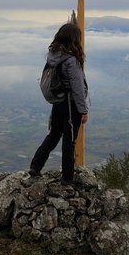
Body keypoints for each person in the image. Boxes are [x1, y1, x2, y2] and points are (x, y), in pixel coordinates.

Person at [29, 23, 89, 183]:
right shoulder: (71, 60)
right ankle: (68, 178)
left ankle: (35, 166)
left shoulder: (54, 55)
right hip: (71, 106)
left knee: (54, 135)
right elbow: (77, 88)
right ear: (74, 38)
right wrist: (83, 111)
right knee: (69, 141)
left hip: (58, 103)